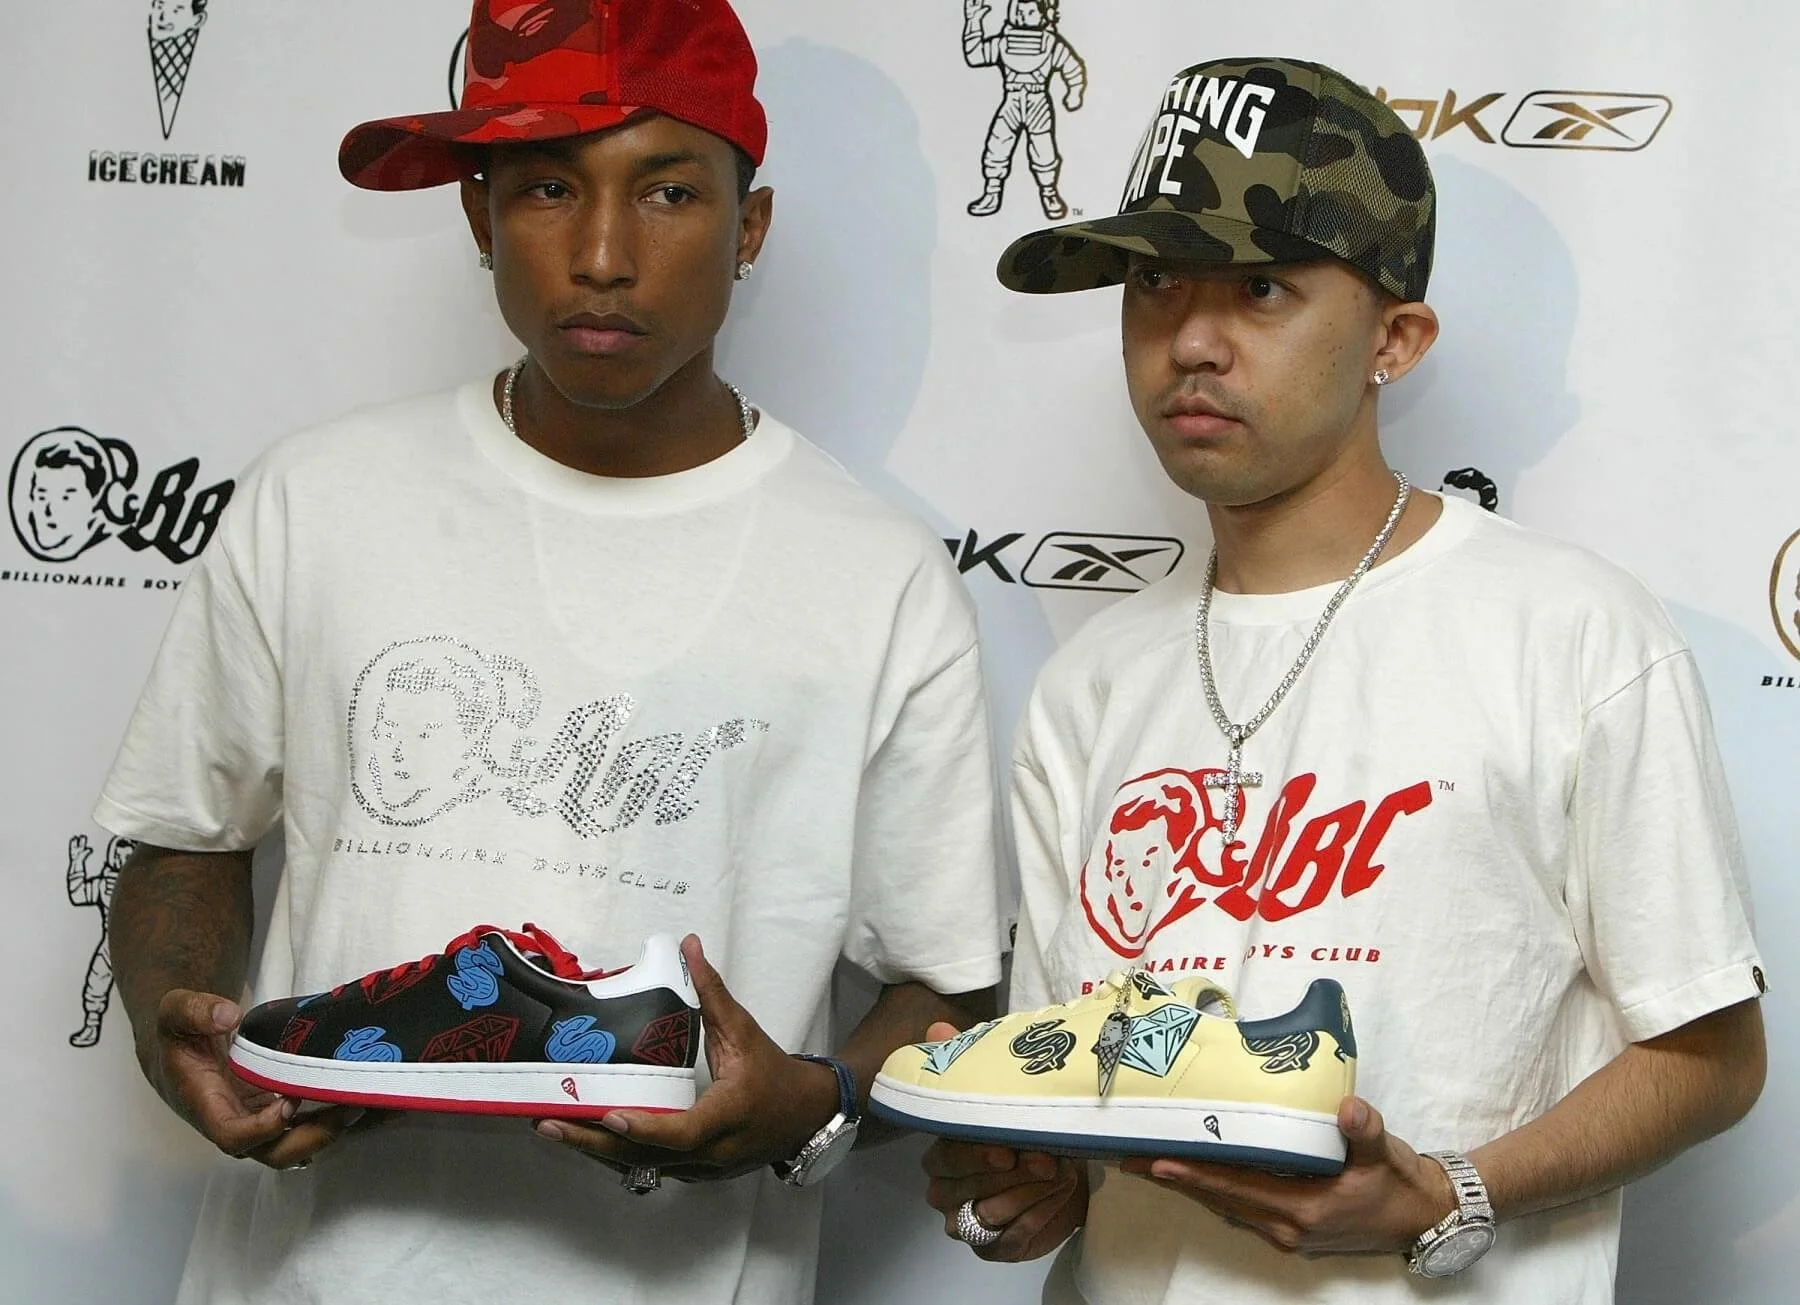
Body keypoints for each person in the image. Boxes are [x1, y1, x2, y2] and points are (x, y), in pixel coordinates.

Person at [96, 3, 1003, 1302]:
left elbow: (945, 987)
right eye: (546, 188)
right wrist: (168, 1016)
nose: (602, 255)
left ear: (749, 227)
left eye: (670, 192)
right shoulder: (317, 501)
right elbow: (186, 835)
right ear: (478, 214)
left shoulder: (881, 577)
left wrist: (812, 1104)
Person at [920, 56, 1766, 1303]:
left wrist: (1451, 1193)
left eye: (1261, 287)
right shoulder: (1089, 684)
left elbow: (1711, 1055)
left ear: (1394, 340)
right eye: (1155, 284)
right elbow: (1077, 1090)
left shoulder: (1572, 633)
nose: (1189, 341)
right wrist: (1024, 1180)